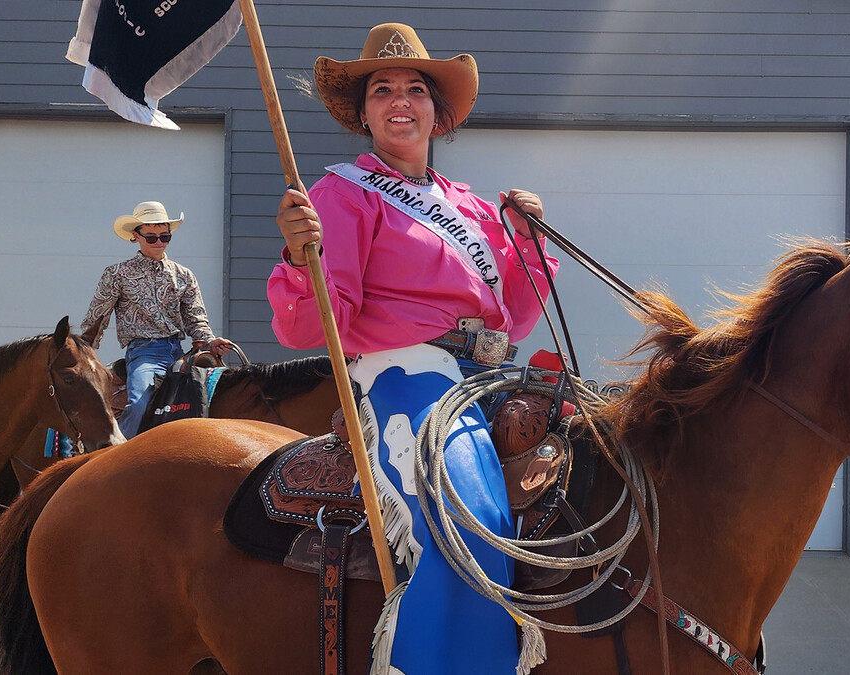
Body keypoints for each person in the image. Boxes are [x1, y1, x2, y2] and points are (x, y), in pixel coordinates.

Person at [268, 22, 558, 674]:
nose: (401, 100)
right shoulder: (342, 194)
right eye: (383, 89)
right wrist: (299, 257)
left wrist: (529, 243)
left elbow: (513, 313)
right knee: (469, 513)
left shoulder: (473, 207)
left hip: (485, 372)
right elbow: (311, 327)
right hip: (407, 369)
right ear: (364, 112)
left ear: (437, 109)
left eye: (415, 89)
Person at [81, 201, 234, 438]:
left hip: (180, 351)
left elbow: (196, 318)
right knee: (141, 406)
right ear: (136, 236)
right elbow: (97, 318)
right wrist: (86, 351)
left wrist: (210, 342)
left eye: (165, 237)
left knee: (216, 400)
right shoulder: (117, 273)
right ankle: (116, 458)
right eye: (151, 237)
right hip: (144, 352)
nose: (159, 242)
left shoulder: (183, 275)